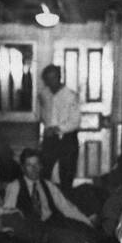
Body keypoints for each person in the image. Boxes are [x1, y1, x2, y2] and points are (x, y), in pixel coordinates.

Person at [36, 64, 81, 194]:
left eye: (54, 78)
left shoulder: (70, 95)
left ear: (59, 77)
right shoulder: (44, 94)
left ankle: (66, 205)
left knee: (66, 175)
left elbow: (75, 121)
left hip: (67, 139)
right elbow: (43, 115)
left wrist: (57, 128)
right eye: (48, 79)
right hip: (50, 140)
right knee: (44, 172)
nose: (51, 82)